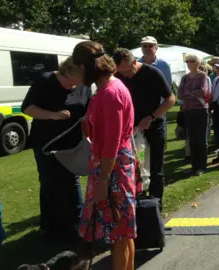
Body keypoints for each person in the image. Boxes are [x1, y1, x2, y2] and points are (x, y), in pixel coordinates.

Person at [72, 41, 136, 270]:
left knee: (117, 233)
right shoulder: (110, 86)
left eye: (78, 68)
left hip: (112, 170)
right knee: (124, 232)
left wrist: (103, 180)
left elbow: (112, 143)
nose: (78, 73)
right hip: (114, 166)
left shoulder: (110, 93)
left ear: (86, 67)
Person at [21, 56, 91, 241]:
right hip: (46, 144)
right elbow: (27, 108)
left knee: (72, 180)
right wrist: (52, 115)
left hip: (73, 144)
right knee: (49, 182)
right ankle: (49, 226)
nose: (83, 81)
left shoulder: (84, 86)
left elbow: (88, 110)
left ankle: (77, 223)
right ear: (69, 72)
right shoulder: (45, 81)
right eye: (81, 76)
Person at [113, 48, 175, 210]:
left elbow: (170, 99)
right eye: (121, 72)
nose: (126, 76)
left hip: (154, 126)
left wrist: (152, 117)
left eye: (128, 71)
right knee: (137, 163)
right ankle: (138, 201)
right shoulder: (117, 76)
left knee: (156, 167)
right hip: (132, 131)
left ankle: (155, 205)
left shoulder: (152, 73)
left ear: (135, 62)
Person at [178, 53, 209, 176]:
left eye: (191, 61)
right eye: (187, 61)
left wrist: (188, 94)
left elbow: (202, 91)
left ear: (197, 62)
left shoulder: (202, 75)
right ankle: (194, 166)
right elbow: (179, 94)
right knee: (191, 139)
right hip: (188, 111)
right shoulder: (185, 78)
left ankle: (201, 166)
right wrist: (192, 94)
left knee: (200, 139)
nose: (189, 63)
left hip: (200, 110)